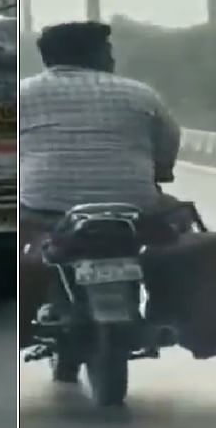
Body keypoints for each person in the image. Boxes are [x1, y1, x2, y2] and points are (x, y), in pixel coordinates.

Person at [19, 21, 184, 333]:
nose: (112, 58)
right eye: (107, 51)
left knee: (23, 237)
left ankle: (35, 308)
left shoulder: (23, 94)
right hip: (133, 204)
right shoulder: (140, 94)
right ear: (93, 55)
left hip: (46, 205)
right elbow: (168, 140)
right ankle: (166, 304)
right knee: (179, 229)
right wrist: (161, 171)